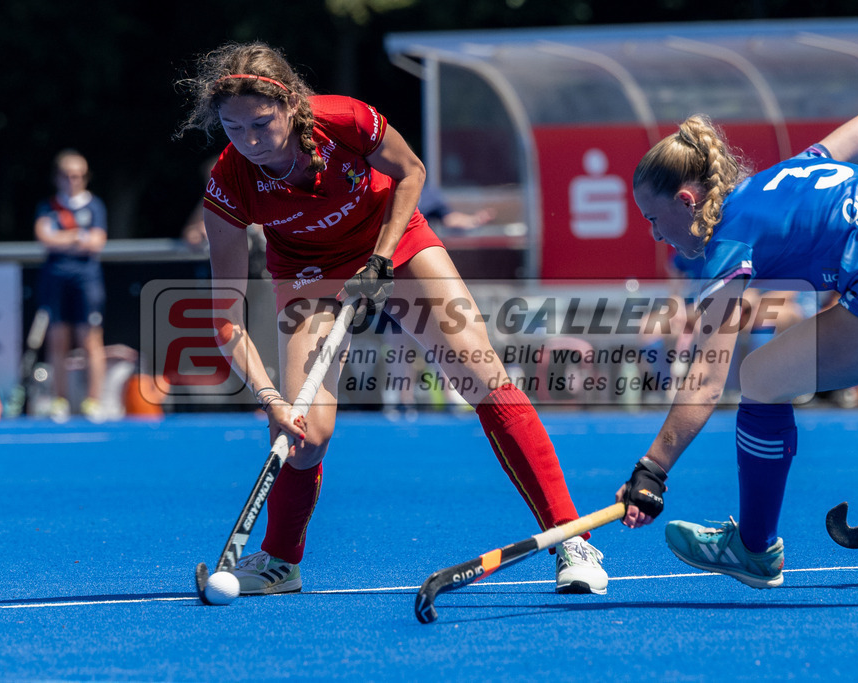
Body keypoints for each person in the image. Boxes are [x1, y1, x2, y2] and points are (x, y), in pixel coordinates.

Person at [174, 42, 607, 596]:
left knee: (485, 379)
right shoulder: (229, 184)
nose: (251, 142)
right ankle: (281, 562)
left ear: (291, 106)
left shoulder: (345, 120)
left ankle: (571, 539)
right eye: (234, 130)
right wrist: (271, 401)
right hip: (309, 272)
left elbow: (411, 172)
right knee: (307, 433)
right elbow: (226, 318)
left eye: (261, 123)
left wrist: (380, 257)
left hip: (395, 243)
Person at [615, 99, 858, 588]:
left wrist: (653, 469)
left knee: (763, 377)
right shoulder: (800, 167)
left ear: (687, 200)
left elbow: (705, 381)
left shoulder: (728, 242)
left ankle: (754, 548)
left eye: (653, 218)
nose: (656, 234)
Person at [33, 149, 108, 421]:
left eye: (77, 176)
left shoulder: (94, 205)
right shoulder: (48, 206)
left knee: (90, 340)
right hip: (54, 279)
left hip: (87, 279)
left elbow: (97, 241)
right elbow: (44, 237)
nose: (72, 181)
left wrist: (64, 238)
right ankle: (59, 401)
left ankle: (93, 402)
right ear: (57, 177)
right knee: (57, 340)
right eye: (66, 176)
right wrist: (77, 236)